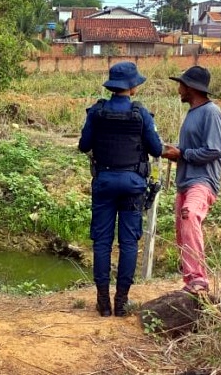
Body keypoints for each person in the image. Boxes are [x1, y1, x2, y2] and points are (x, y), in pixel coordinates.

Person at [78, 62, 163, 317]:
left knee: (102, 241)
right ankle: (122, 302)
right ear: (132, 86)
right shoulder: (141, 114)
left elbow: (84, 145)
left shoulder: (97, 111)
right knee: (128, 242)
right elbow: (157, 149)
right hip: (133, 185)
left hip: (104, 182)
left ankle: (103, 302)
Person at [161, 66, 221, 295]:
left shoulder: (211, 112)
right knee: (182, 229)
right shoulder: (193, 113)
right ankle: (190, 280)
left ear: (191, 88)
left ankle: (199, 280)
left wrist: (182, 154)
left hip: (202, 180)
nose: (178, 89)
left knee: (189, 215)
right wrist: (176, 152)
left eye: (181, 85)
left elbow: (214, 150)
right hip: (186, 180)